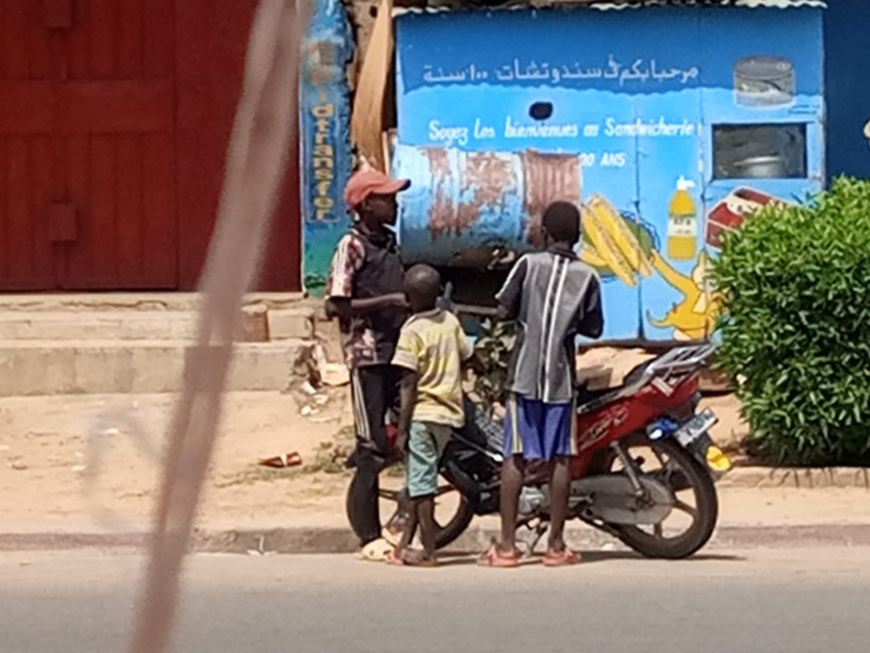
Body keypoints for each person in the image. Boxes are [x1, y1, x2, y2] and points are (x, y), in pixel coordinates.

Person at [480, 201, 604, 568]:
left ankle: (507, 546)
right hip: (561, 381)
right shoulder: (588, 276)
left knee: (515, 456)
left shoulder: (528, 265)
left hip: (524, 377)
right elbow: (594, 327)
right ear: (577, 236)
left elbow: (504, 309)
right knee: (561, 458)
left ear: (544, 233)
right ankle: (556, 545)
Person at [325, 168, 411, 549]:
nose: (394, 204)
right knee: (371, 445)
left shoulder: (390, 242)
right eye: (386, 198)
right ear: (366, 205)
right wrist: (387, 301)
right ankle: (368, 533)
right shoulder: (351, 246)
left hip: (398, 349)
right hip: (367, 354)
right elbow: (336, 304)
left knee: (410, 432)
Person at [387, 264, 476, 566]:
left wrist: (402, 430)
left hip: (423, 415)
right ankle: (403, 545)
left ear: (407, 298)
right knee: (419, 480)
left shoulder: (411, 331)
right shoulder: (450, 321)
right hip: (449, 414)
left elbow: (408, 383)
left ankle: (428, 551)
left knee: (423, 487)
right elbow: (468, 356)